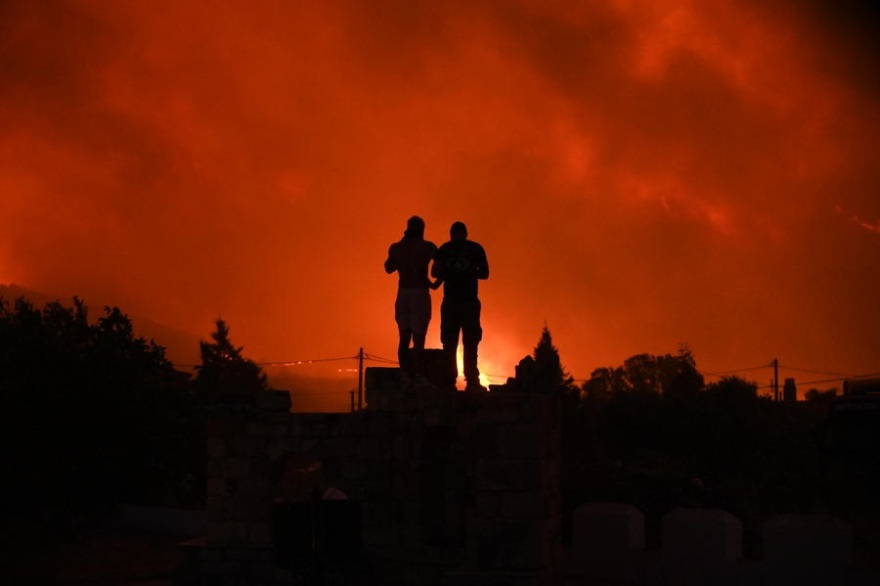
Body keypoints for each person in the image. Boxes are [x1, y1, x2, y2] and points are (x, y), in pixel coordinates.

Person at [431, 221, 489, 391]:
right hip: (469, 302)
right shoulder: (475, 248)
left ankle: (449, 381)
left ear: (451, 234)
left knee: (449, 343)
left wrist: (450, 271)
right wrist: (469, 272)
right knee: (470, 342)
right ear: (465, 233)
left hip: (451, 302)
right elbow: (485, 273)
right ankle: (472, 380)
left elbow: (434, 272)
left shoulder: (445, 249)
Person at [384, 215, 439, 389]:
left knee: (404, 338)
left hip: (402, 293)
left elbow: (388, 268)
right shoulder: (428, 247)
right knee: (419, 339)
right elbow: (440, 265)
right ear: (422, 230)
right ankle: (419, 377)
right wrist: (435, 283)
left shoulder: (396, 247)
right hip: (419, 293)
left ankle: (404, 376)